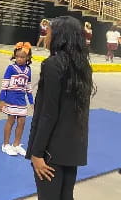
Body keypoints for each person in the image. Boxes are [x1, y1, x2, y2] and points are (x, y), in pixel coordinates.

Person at [26, 16, 96, 200]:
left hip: (51, 151)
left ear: (59, 35)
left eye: (49, 32)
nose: (47, 36)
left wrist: (37, 152)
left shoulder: (53, 65)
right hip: (72, 149)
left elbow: (47, 113)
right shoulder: (83, 67)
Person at [0, 42, 33, 156]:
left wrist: (31, 102)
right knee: (11, 121)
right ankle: (6, 144)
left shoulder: (28, 70)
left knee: (22, 122)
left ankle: (16, 145)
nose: (19, 59)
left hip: (21, 101)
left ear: (27, 57)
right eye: (17, 56)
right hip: (10, 100)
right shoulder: (11, 68)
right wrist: (2, 100)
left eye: (22, 57)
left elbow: (28, 87)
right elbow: (4, 85)